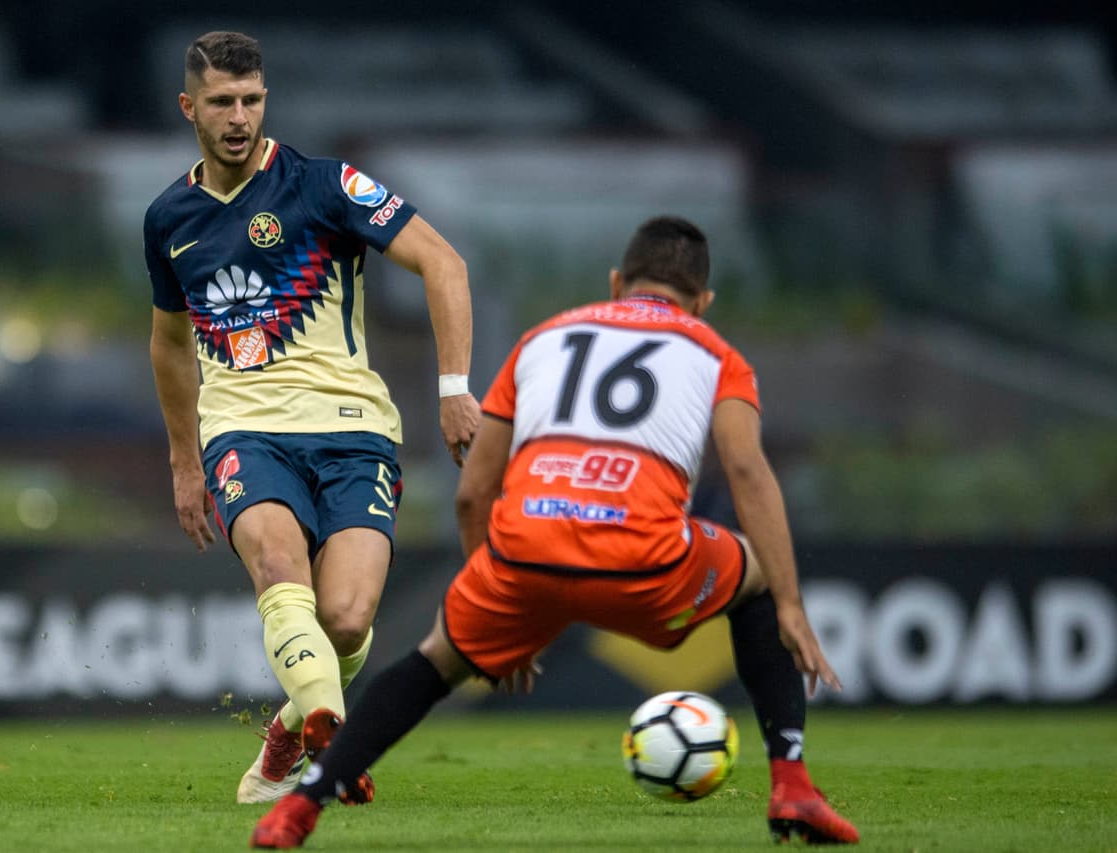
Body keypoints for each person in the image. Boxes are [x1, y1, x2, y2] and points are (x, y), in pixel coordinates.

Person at [250, 216, 861, 847]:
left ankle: (298, 808)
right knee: (757, 578)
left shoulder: (543, 338)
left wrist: (498, 608)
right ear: (703, 302)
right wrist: (790, 603)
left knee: (434, 661)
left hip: (523, 553)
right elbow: (746, 472)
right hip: (644, 560)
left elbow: (472, 494)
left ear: (617, 282)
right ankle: (792, 785)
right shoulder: (715, 353)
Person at [144, 31, 482, 806]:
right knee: (278, 569)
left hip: (353, 426)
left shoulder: (325, 185)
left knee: (348, 618)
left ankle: (292, 731)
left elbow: (444, 263)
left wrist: (455, 388)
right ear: (189, 107)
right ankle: (334, 738)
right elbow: (167, 344)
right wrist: (185, 459)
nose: (239, 117)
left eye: (252, 100)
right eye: (223, 102)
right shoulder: (168, 218)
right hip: (244, 428)